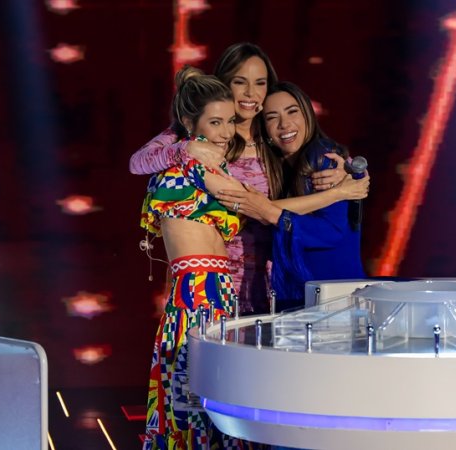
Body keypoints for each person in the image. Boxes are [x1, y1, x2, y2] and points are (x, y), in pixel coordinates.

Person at [131, 43, 358, 314]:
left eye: (260, 83)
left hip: (273, 288)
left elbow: (310, 158)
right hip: (219, 289)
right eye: (240, 82)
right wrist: (185, 147)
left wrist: (350, 169)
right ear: (225, 84)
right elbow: (138, 162)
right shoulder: (200, 137)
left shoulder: (274, 135)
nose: (251, 93)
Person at [140, 66, 262, 450]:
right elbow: (250, 200)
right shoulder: (186, 163)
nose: (227, 132)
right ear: (190, 123)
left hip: (219, 292)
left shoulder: (207, 164)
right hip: (195, 293)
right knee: (192, 402)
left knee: (217, 404)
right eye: (216, 122)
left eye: (230, 121)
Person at [223, 81, 366, 309]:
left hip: (334, 298)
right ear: (265, 131)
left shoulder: (323, 157)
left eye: (292, 112)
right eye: (272, 117)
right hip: (302, 297)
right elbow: (265, 211)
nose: (284, 124)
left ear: (307, 114)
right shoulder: (278, 170)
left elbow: (333, 232)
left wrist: (275, 215)